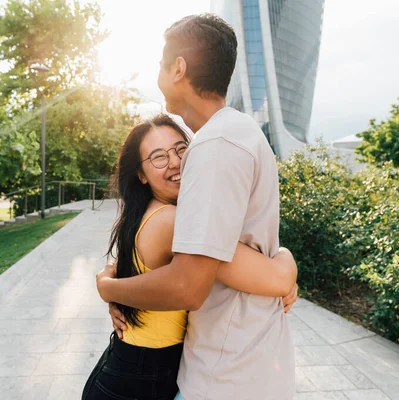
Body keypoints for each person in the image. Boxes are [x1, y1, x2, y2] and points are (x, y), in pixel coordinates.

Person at [96, 14, 297, 400]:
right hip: (235, 363)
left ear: (179, 68)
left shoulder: (213, 145)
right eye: (157, 157)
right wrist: (284, 261)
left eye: (160, 63)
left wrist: (109, 289)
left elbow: (189, 285)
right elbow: (255, 250)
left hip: (226, 376)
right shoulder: (242, 133)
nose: (173, 162)